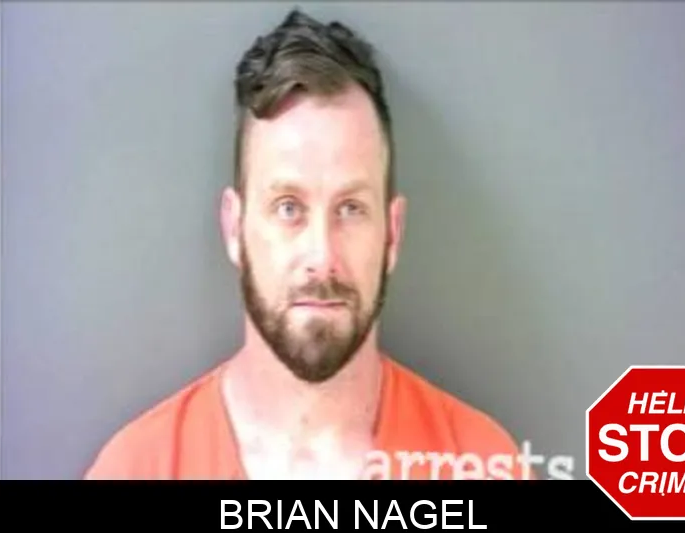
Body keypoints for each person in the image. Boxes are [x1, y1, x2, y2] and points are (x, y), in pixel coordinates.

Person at [85, 8, 526, 481]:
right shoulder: (136, 469)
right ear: (234, 228)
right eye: (288, 207)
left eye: (350, 208)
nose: (322, 257)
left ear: (392, 234)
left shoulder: (482, 465)